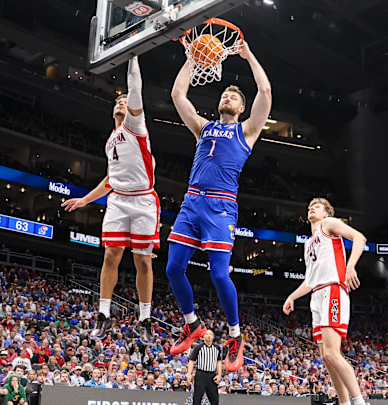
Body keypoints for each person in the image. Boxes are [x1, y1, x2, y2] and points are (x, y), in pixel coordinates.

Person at [166, 39, 272, 373]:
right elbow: (178, 96)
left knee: (217, 273)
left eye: (235, 97)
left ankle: (235, 335)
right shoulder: (203, 128)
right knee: (172, 268)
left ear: (241, 108)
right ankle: (192, 324)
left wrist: (249, 54)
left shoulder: (247, 130)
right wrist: (191, 58)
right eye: (225, 95)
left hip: (221, 207)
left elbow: (266, 92)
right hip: (191, 201)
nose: (228, 97)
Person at [62, 56, 157, 344]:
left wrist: (133, 55)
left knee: (142, 261)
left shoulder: (135, 126)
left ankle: (145, 318)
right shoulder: (111, 139)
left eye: (124, 100)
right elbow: (109, 180)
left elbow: (136, 86)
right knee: (110, 255)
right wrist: (85, 201)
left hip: (143, 200)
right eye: (117, 100)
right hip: (117, 199)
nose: (120, 102)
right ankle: (104, 314)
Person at [283, 198, 367, 405]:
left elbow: (359, 237)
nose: (311, 208)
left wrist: (350, 266)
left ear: (325, 213)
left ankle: (359, 402)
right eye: (310, 206)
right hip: (317, 294)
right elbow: (310, 281)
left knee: (332, 352)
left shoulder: (328, 224)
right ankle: (344, 402)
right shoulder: (308, 243)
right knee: (327, 358)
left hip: (333, 289)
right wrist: (292, 296)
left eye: (317, 207)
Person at [187, 330, 223, 405]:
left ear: (213, 336)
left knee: (215, 399)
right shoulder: (198, 347)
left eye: (210, 334)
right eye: (206, 334)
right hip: (201, 374)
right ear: (203, 336)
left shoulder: (217, 348)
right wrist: (189, 374)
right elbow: (191, 361)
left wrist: (219, 374)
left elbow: (219, 361)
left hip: (212, 375)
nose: (208, 336)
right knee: (197, 398)